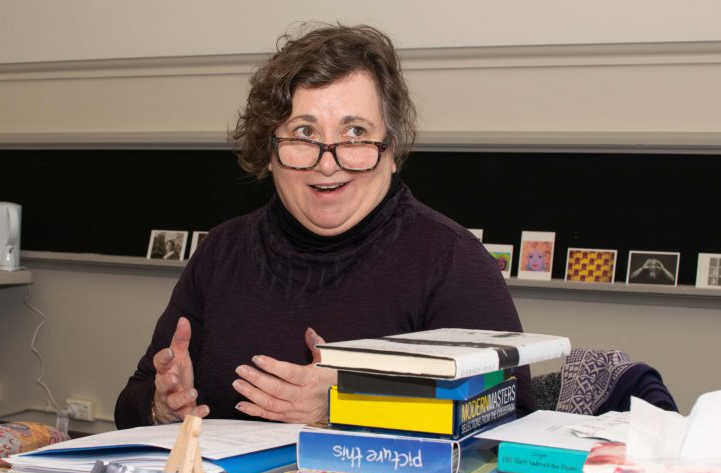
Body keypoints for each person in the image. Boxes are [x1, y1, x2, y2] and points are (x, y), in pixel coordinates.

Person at [114, 23, 534, 429]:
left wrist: (348, 403)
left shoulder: (451, 260)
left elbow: (511, 421)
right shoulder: (223, 251)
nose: (327, 162)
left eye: (355, 132)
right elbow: (131, 402)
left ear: (391, 150)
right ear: (269, 149)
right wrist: (161, 407)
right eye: (304, 132)